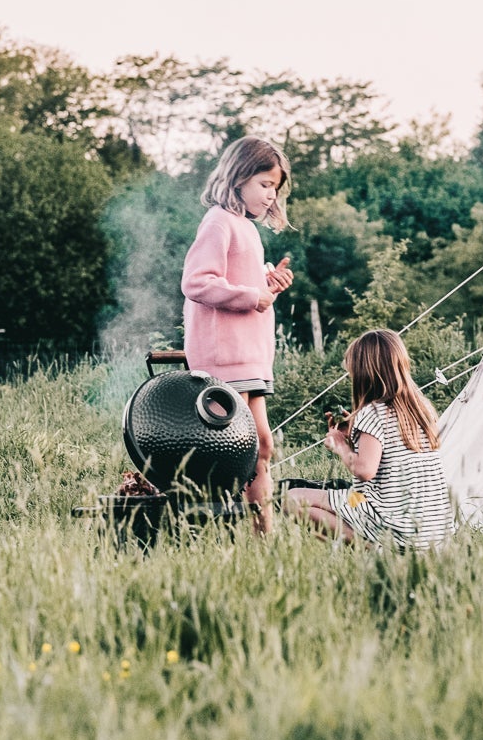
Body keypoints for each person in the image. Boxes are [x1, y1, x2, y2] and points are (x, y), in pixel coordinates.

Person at [181, 136, 294, 531]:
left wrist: (268, 284)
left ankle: (263, 536)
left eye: (274, 188)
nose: (270, 195)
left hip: (251, 357)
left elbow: (245, 288)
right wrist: (252, 295)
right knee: (231, 450)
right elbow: (197, 282)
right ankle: (214, 529)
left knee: (262, 445)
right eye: (265, 184)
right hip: (225, 357)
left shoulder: (245, 227)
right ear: (239, 176)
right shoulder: (217, 221)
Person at [286, 329, 451, 549]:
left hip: (396, 527)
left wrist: (340, 446)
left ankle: (374, 550)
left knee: (292, 499)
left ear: (364, 373)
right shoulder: (423, 409)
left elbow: (365, 470)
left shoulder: (373, 413)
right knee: (337, 499)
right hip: (435, 532)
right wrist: (353, 436)